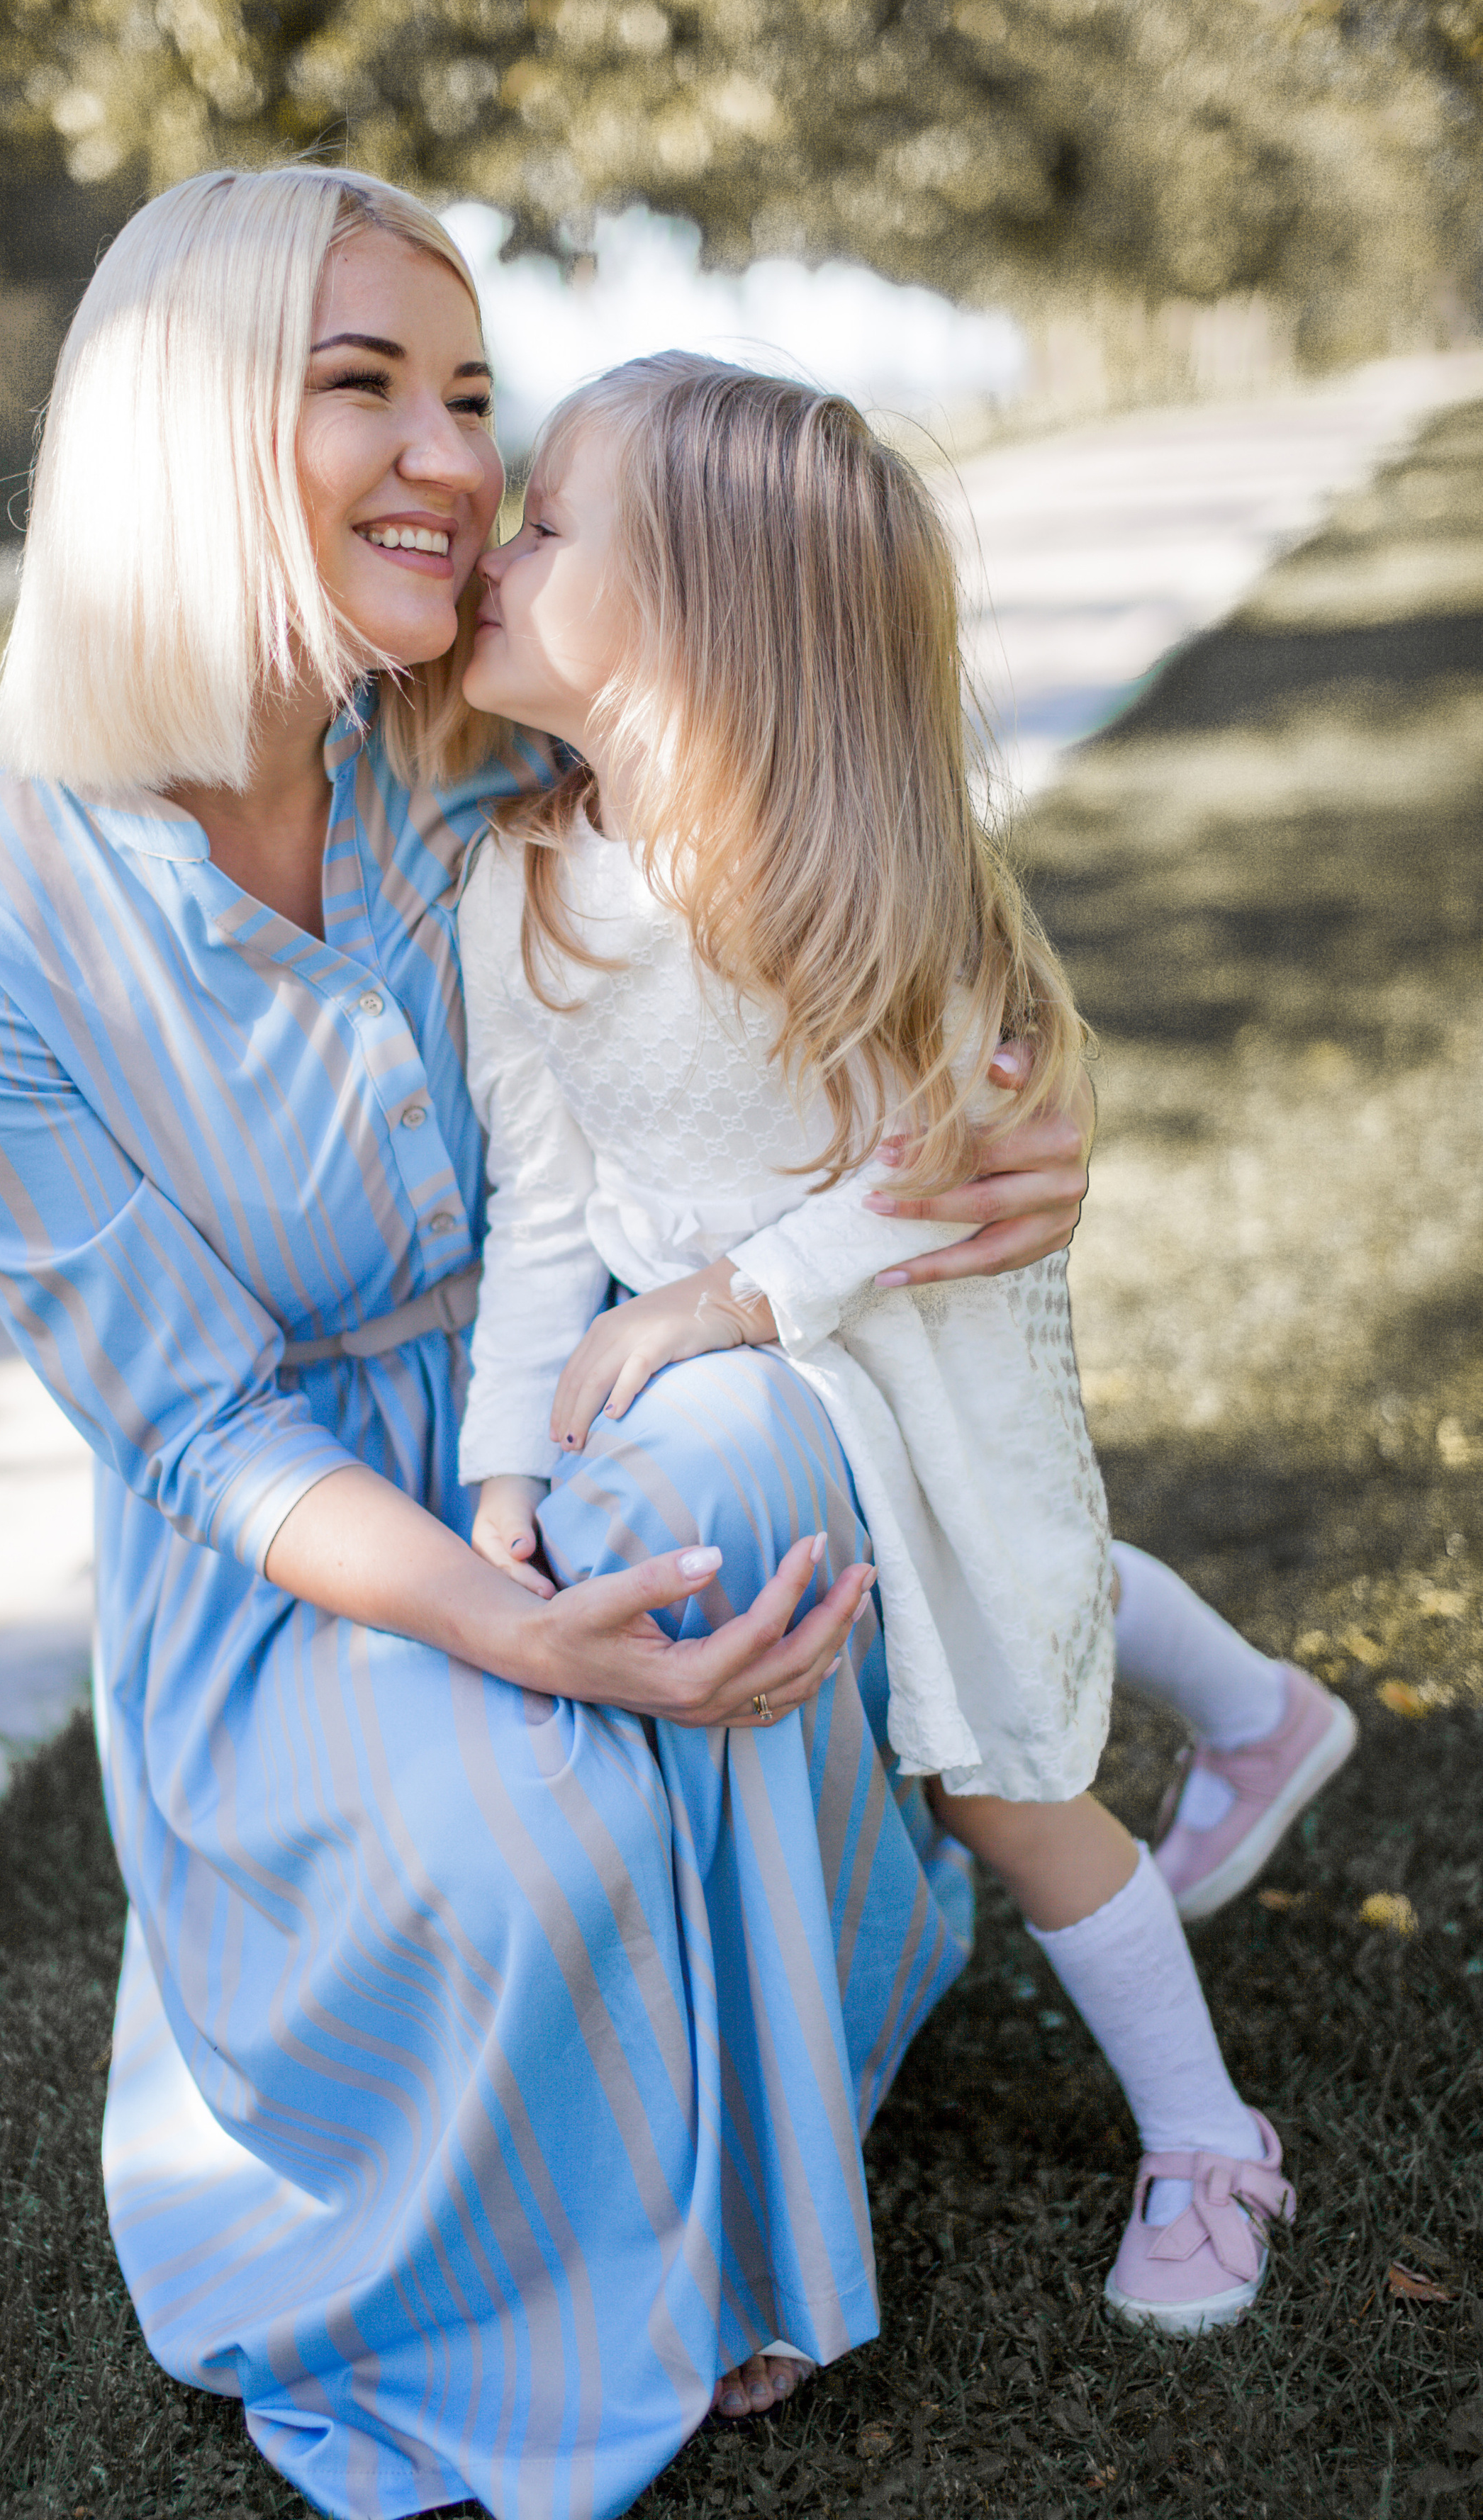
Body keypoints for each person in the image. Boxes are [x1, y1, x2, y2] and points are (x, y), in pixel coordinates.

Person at [0, 168, 1101, 2517]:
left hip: (595, 1379)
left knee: (743, 1473)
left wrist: (1035, 1134)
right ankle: (565, 2236)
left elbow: (851, 875)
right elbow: (201, 1433)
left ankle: (761, 2176)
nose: (454, 460)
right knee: (527, 1840)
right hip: (304, 1550)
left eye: (468, 395)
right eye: (364, 389)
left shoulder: (472, 730)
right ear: (181, 426)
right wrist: (523, 1627)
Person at [455, 355, 1353, 2338]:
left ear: (698, 611)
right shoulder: (512, 885)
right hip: (778, 1377)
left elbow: (939, 1169)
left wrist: (731, 1299)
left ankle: (1206, 2134)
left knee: (1000, 1757)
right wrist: (501, 1471)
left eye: (545, 524)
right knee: (966, 1602)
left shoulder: (839, 874)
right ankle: (1267, 1716)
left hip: (915, 1341)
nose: (493, 552)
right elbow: (541, 1209)